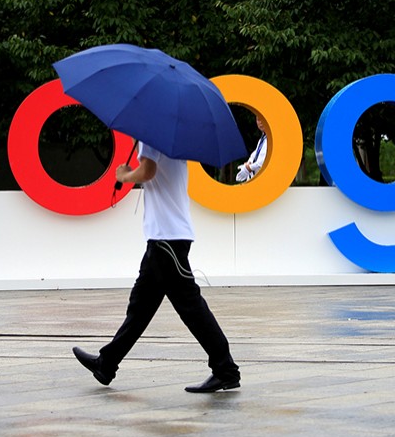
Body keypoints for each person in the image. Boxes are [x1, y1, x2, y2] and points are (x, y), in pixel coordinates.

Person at [72, 142, 241, 393]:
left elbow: (148, 171)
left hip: (167, 240)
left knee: (191, 308)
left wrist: (125, 175)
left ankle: (226, 370)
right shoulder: (172, 139)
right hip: (165, 239)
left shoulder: (151, 138)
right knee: (140, 307)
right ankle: (106, 364)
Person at [236, 115, 267, 182]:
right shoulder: (262, 139)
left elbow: (263, 161)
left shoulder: (272, 139)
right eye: (258, 119)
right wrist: (249, 162)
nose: (261, 122)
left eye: (263, 119)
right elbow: (255, 154)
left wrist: (249, 168)